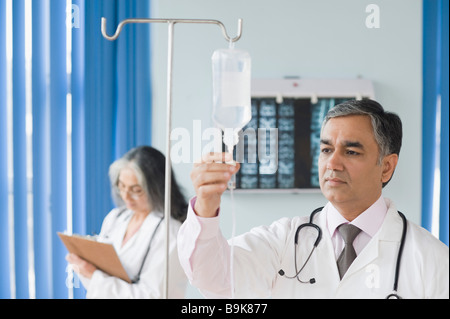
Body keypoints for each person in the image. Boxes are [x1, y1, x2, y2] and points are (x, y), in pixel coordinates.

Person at [177, 99, 449, 298]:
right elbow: (213, 277)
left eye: (351, 152)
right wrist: (206, 206)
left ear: (387, 167)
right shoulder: (284, 240)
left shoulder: (432, 259)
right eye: (326, 149)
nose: (333, 163)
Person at [67, 146, 188, 298]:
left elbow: (153, 295)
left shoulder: (171, 232)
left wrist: (94, 276)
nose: (126, 196)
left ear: (157, 188)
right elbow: (97, 285)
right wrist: (83, 266)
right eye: (121, 186)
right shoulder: (116, 218)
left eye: (136, 190)